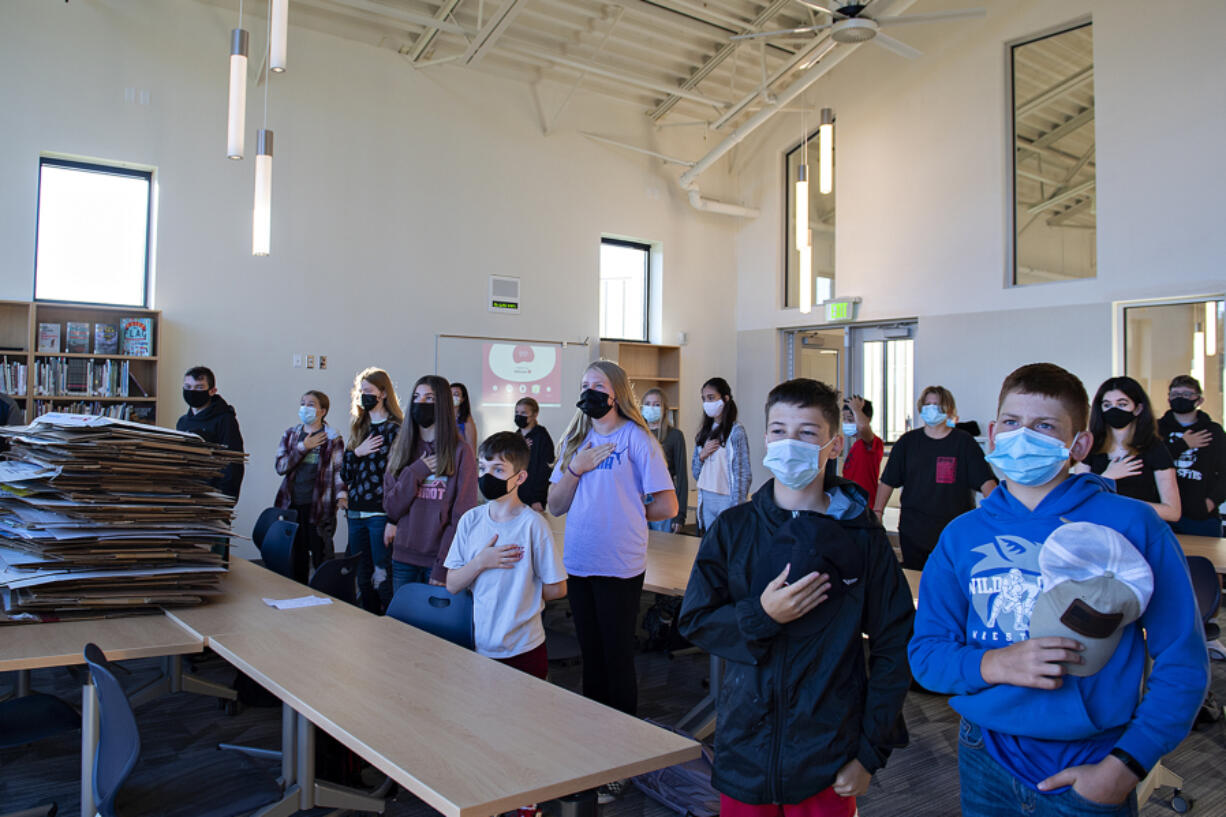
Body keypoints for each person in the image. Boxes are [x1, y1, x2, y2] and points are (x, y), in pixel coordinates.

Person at [908, 363, 1209, 817]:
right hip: (984, 754)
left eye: (1044, 426)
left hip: (1094, 758)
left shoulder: (1131, 524)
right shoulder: (961, 535)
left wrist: (1127, 765)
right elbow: (926, 656)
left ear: (1079, 444)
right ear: (992, 432)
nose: (1022, 435)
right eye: (1011, 422)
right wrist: (993, 663)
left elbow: (1183, 659)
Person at [679, 377, 914, 817]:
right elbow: (697, 620)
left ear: (834, 446)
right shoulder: (735, 528)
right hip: (746, 751)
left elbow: (894, 645)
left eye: (807, 433)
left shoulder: (862, 537)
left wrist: (869, 753)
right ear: (765, 436)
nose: (790, 443)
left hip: (828, 756)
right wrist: (761, 615)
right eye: (778, 430)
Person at [548, 361, 677, 801]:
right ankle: (592, 746)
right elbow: (555, 504)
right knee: (592, 656)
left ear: (617, 393)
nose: (589, 392)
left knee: (617, 660)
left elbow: (669, 505)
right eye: (583, 385)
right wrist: (576, 468)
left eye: (597, 386)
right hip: (580, 563)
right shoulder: (574, 440)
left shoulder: (637, 440)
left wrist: (629, 512)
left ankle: (621, 758)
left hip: (619, 564)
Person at [446, 431, 567, 678]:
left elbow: (558, 588)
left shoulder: (533, 525)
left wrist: (523, 588)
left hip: (525, 647)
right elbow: (452, 583)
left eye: (498, 470)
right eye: (482, 468)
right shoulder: (471, 520)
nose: (487, 476)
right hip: (480, 644)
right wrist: (481, 561)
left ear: (520, 477)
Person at [874, 386, 997, 569]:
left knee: (952, 583)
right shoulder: (908, 442)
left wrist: (1001, 514)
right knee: (917, 581)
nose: (931, 408)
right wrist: (877, 513)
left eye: (937, 405)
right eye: (927, 404)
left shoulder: (963, 442)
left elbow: (986, 481)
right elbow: (888, 481)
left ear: (947, 409)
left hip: (954, 531)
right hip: (914, 530)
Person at [384, 375, 477, 590]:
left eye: (429, 398)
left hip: (438, 561)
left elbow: (461, 518)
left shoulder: (461, 452)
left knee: (430, 623)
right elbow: (391, 506)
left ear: (443, 403)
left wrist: (443, 566)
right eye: (416, 397)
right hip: (403, 557)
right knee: (400, 621)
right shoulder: (401, 448)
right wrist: (416, 472)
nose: (421, 403)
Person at [1074, 376, 1180, 523]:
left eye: (1122, 404)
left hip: (1139, 532)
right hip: (1099, 530)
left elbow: (1173, 512)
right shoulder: (1090, 447)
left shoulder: (1154, 448)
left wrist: (1124, 505)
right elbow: (1078, 500)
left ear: (1138, 408)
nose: (1114, 409)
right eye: (1107, 405)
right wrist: (1107, 478)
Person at [342, 367, 402, 613]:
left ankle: (390, 623)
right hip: (355, 511)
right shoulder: (359, 426)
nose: (364, 396)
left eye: (369, 391)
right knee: (362, 574)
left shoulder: (396, 428)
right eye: (361, 391)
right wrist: (357, 452)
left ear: (383, 393)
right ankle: (367, 619)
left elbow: (396, 474)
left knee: (382, 573)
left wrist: (394, 517)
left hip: (379, 512)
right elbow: (345, 473)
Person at [273, 390, 347, 578]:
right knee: (296, 557)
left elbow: (339, 470)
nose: (305, 407)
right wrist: (303, 447)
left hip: (320, 507)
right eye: (302, 403)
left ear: (322, 411)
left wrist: (342, 495)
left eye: (311, 404)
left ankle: (325, 598)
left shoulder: (332, 437)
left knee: (322, 557)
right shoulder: (290, 435)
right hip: (292, 504)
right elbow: (280, 466)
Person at [1157, 375, 1224, 537]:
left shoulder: (1213, 431)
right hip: (1162, 514)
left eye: (1186, 394)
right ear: (1169, 399)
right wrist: (1182, 445)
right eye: (1175, 394)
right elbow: (1149, 461)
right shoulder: (1156, 429)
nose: (1180, 398)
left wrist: (1210, 502)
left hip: (1202, 518)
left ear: (1199, 400)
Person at [691, 377, 751, 532]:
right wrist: (702, 455)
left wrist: (737, 506)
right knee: (710, 544)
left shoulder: (736, 432)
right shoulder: (703, 433)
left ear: (725, 398)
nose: (707, 403)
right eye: (704, 399)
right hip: (706, 496)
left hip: (727, 498)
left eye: (711, 398)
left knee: (727, 543)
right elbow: (696, 473)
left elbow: (743, 472)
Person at [177, 366, 245, 500]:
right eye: (188, 387)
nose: (192, 392)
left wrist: (225, 499)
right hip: (187, 492)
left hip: (213, 495)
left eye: (199, 387)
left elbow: (233, 463)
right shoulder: (183, 422)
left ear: (212, 391)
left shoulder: (225, 419)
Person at [642, 388, 688, 533]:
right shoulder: (637, 433)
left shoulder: (675, 435)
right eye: (648, 404)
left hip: (663, 499)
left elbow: (681, 477)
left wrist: (680, 516)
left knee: (661, 550)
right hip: (639, 499)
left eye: (657, 404)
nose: (652, 408)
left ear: (664, 409)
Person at [513, 396, 554, 513]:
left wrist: (538, 498)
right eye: (516, 412)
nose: (519, 415)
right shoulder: (515, 436)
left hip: (534, 497)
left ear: (535, 415)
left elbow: (546, 469)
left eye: (524, 413)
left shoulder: (542, 436)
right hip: (516, 494)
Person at [841, 395, 883, 502]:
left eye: (850, 419)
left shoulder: (872, 443)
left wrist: (857, 409)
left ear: (867, 419)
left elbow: (863, 427)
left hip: (865, 503)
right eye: (844, 419)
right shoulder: (855, 445)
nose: (846, 423)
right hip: (851, 502)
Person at [452, 382, 479, 452]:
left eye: (456, 394)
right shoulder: (441, 418)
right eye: (449, 394)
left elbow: (472, 448)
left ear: (463, 399)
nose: (451, 397)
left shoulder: (467, 419)